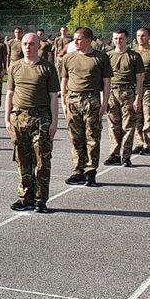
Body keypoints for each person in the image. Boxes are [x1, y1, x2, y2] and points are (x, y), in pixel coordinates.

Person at [5, 32, 59, 213]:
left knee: (42, 161)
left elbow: (53, 97)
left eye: (32, 44)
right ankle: (25, 197)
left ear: (38, 45)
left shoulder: (47, 68)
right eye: (25, 44)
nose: (28, 47)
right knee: (22, 160)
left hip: (40, 119)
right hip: (19, 118)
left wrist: (54, 123)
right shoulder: (14, 66)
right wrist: (7, 118)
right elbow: (10, 94)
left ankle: (40, 199)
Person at [61, 27, 111, 186]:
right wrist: (64, 102)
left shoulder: (100, 57)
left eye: (79, 39)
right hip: (73, 99)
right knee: (76, 137)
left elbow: (107, 82)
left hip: (92, 99)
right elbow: (64, 80)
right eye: (74, 39)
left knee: (92, 137)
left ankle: (90, 171)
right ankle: (78, 171)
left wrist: (104, 103)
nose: (75, 42)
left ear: (89, 40)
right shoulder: (68, 58)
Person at [103, 29, 144, 168]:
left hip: (128, 92)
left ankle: (126, 156)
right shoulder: (108, 56)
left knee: (128, 125)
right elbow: (104, 79)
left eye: (121, 38)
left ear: (127, 39)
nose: (118, 41)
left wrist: (138, 98)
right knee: (113, 125)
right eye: (115, 38)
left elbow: (139, 79)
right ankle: (114, 154)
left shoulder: (134, 56)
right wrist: (104, 99)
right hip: (112, 92)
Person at [132, 28, 150, 154]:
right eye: (138, 35)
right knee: (136, 117)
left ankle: (148, 145)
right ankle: (139, 142)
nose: (140, 38)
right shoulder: (133, 52)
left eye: (143, 35)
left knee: (149, 116)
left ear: (149, 37)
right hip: (135, 89)